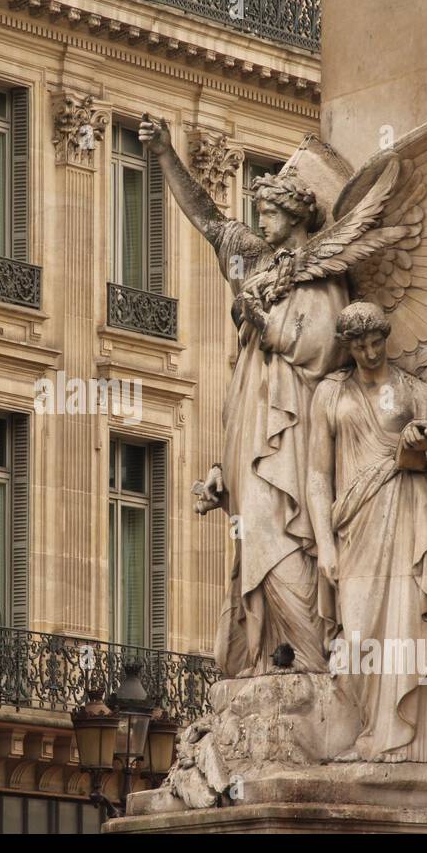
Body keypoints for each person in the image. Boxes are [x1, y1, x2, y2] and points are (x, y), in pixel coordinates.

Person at [138, 115, 348, 677]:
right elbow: (209, 219)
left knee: (274, 533)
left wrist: (269, 324)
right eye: (260, 213)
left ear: (298, 215)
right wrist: (165, 156)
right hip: (251, 423)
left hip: (294, 427)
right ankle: (268, 657)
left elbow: (326, 348)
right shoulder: (253, 262)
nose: (262, 221)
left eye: (272, 213)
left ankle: (310, 659)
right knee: (254, 534)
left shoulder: (321, 275)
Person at [306, 302, 427, 762]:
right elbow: (318, 476)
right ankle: (372, 730)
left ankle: (407, 741)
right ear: (348, 347)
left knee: (410, 621)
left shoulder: (414, 391)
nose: (369, 352)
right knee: (359, 631)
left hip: (413, 515)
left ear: (386, 336)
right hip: (356, 522)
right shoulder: (329, 394)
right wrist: (324, 543)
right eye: (358, 345)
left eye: (375, 341)